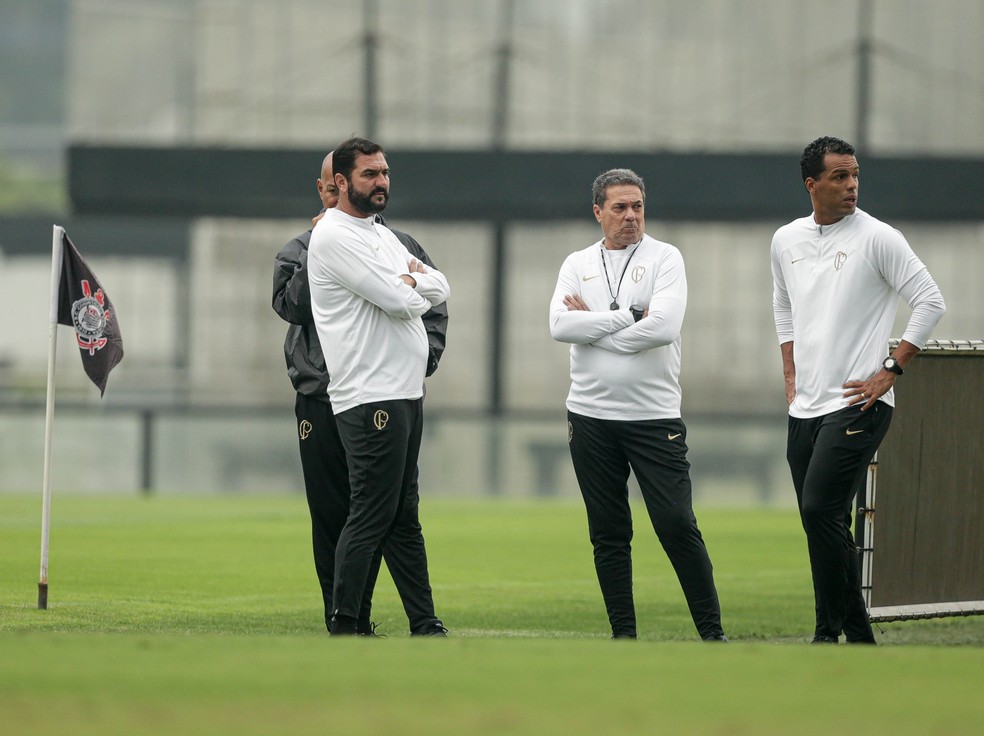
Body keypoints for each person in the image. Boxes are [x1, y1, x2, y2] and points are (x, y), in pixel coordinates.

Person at [771, 136, 946, 644]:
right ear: (812, 184)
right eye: (839, 177)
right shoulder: (786, 240)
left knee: (818, 510)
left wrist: (890, 368)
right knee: (825, 522)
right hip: (805, 405)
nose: (851, 186)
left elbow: (930, 302)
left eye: (855, 176)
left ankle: (827, 634)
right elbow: (783, 306)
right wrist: (789, 367)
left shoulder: (879, 237)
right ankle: (857, 635)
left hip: (859, 401)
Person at [272, 148, 449, 636]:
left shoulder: (390, 238)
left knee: (398, 512)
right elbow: (295, 306)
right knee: (349, 511)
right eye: (369, 174)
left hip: (400, 388)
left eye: (385, 172)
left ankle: (422, 621)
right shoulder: (314, 242)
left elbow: (439, 293)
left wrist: (423, 350)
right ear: (332, 185)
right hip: (337, 391)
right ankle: (346, 618)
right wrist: (412, 287)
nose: (382, 181)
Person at [549, 168, 727, 641]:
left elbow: (664, 328)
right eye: (620, 208)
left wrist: (597, 327)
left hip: (653, 418)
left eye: (638, 207)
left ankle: (713, 635)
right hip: (589, 417)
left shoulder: (666, 257)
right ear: (598, 212)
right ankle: (623, 637)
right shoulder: (576, 262)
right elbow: (560, 326)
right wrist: (628, 318)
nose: (631, 216)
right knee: (608, 533)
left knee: (675, 524)